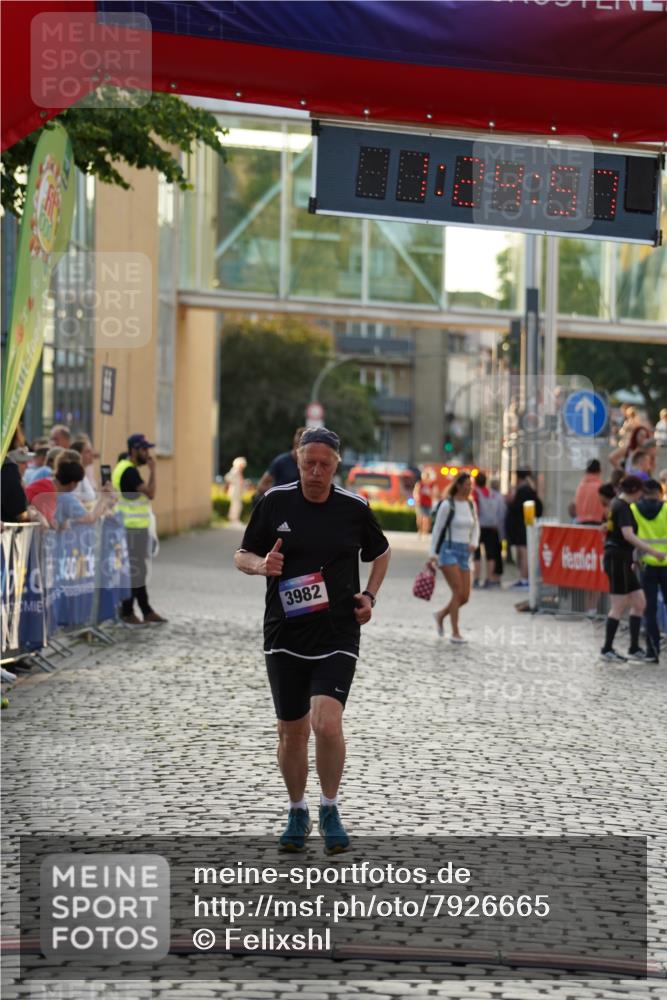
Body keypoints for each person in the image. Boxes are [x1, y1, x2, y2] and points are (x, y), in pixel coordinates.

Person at [234, 427, 390, 855]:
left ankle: (330, 807)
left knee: (326, 722)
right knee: (292, 731)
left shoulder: (353, 508)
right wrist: (262, 565)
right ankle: (297, 810)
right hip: (285, 631)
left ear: (337, 464)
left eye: (324, 465)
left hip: (338, 630)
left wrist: (370, 596)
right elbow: (241, 554)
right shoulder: (275, 502)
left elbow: (381, 551)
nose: (316, 472)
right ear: (298, 460)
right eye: (308, 464)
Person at [600, 475, 665, 664]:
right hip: (617, 560)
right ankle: (607, 648)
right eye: (640, 493)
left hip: (622, 559)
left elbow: (613, 531)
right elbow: (628, 535)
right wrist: (652, 551)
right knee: (618, 605)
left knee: (640, 602)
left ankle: (634, 647)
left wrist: (634, 558)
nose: (641, 497)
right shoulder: (622, 507)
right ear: (635, 491)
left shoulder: (617, 504)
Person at [112, 433, 167, 626]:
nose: (147, 453)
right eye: (144, 449)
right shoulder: (129, 471)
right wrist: (153, 471)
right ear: (134, 450)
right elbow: (150, 493)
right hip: (131, 529)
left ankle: (145, 609)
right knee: (135, 571)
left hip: (135, 528)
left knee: (139, 570)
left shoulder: (128, 468)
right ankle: (127, 611)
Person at [429, 471, 480, 643]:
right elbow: (437, 529)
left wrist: (474, 542)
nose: (468, 488)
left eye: (470, 486)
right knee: (457, 591)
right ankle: (455, 632)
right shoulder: (447, 505)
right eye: (466, 485)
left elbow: (476, 526)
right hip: (448, 550)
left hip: (465, 552)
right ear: (458, 485)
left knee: (465, 596)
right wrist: (433, 554)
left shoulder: (471, 505)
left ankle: (441, 615)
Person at [630, 479, 667, 663]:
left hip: (646, 565)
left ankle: (652, 651)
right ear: (660, 493)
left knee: (649, 609)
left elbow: (631, 537)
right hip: (666, 563)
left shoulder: (634, 510)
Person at [505, 470, 543, 588]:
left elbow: (516, 507)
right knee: (523, 551)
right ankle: (524, 577)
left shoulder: (523, 491)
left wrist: (509, 502)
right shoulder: (530, 490)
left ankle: (524, 577)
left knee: (524, 551)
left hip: (522, 525)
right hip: (526, 524)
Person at [254, 428, 305, 502]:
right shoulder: (281, 461)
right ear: (295, 445)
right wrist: (280, 495)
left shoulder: (312, 465)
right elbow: (261, 486)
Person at [472, 472, 505, 587]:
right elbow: (499, 512)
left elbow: (474, 510)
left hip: (478, 526)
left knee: (476, 554)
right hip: (491, 528)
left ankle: (476, 578)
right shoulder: (492, 494)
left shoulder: (475, 493)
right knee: (490, 554)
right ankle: (489, 578)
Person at [574, 459, 605, 525]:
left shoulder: (580, 486)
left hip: (581, 523)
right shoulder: (601, 487)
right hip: (597, 523)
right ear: (599, 470)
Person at [71, 435, 98, 502]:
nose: (92, 454)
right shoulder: (74, 476)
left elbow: (92, 495)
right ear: (78, 454)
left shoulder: (83, 473)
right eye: (87, 452)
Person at [224, 456, 248, 524]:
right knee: (236, 505)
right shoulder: (235, 470)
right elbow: (227, 478)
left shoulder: (238, 471)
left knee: (237, 505)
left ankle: (234, 519)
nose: (243, 467)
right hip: (234, 491)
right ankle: (233, 519)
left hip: (237, 491)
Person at [413, 470, 436, 537]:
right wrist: (416, 498)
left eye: (426, 476)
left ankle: (425, 532)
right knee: (419, 518)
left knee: (426, 518)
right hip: (420, 503)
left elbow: (435, 494)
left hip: (428, 504)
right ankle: (420, 530)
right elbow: (415, 492)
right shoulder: (419, 484)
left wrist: (430, 494)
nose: (425, 478)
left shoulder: (431, 485)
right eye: (424, 476)